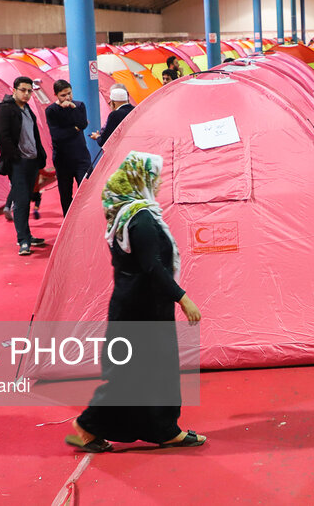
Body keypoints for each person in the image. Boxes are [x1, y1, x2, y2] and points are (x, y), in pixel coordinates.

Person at [66, 151, 205, 453]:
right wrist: (184, 299)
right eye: (154, 178)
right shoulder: (140, 219)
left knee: (148, 372)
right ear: (140, 179)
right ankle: (88, 426)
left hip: (137, 306)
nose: (158, 184)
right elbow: (152, 266)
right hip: (142, 310)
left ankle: (164, 429)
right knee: (135, 373)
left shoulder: (126, 213)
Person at [0, 76, 48, 256]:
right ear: (14, 89)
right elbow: (1, 136)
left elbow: (34, 134)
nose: (26, 94)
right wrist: (15, 157)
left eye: (29, 91)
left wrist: (40, 155)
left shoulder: (27, 109)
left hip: (32, 161)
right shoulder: (5, 110)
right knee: (22, 201)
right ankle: (23, 240)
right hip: (18, 163)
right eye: (23, 90)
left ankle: (27, 236)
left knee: (27, 199)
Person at [45, 79, 91, 216]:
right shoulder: (51, 111)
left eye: (69, 94)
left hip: (81, 157)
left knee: (86, 189)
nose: (67, 98)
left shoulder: (79, 105)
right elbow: (57, 135)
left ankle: (87, 217)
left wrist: (73, 107)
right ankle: (68, 221)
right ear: (56, 95)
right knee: (65, 194)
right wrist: (75, 129)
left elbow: (83, 124)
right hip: (62, 159)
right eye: (63, 95)